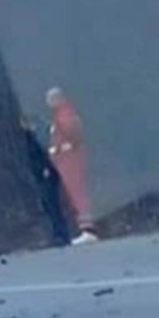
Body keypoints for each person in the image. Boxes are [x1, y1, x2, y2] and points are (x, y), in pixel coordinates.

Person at [46, 87, 99, 244]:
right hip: (66, 161)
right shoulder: (61, 114)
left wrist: (58, 150)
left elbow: (72, 136)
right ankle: (83, 228)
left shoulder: (65, 114)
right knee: (74, 194)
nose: (48, 102)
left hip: (70, 161)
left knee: (77, 193)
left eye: (50, 99)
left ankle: (88, 230)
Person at [21, 115, 71, 246]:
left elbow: (42, 155)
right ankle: (60, 233)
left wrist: (46, 169)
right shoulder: (31, 137)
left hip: (47, 174)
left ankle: (62, 234)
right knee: (50, 205)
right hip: (43, 174)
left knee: (53, 204)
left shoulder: (38, 136)